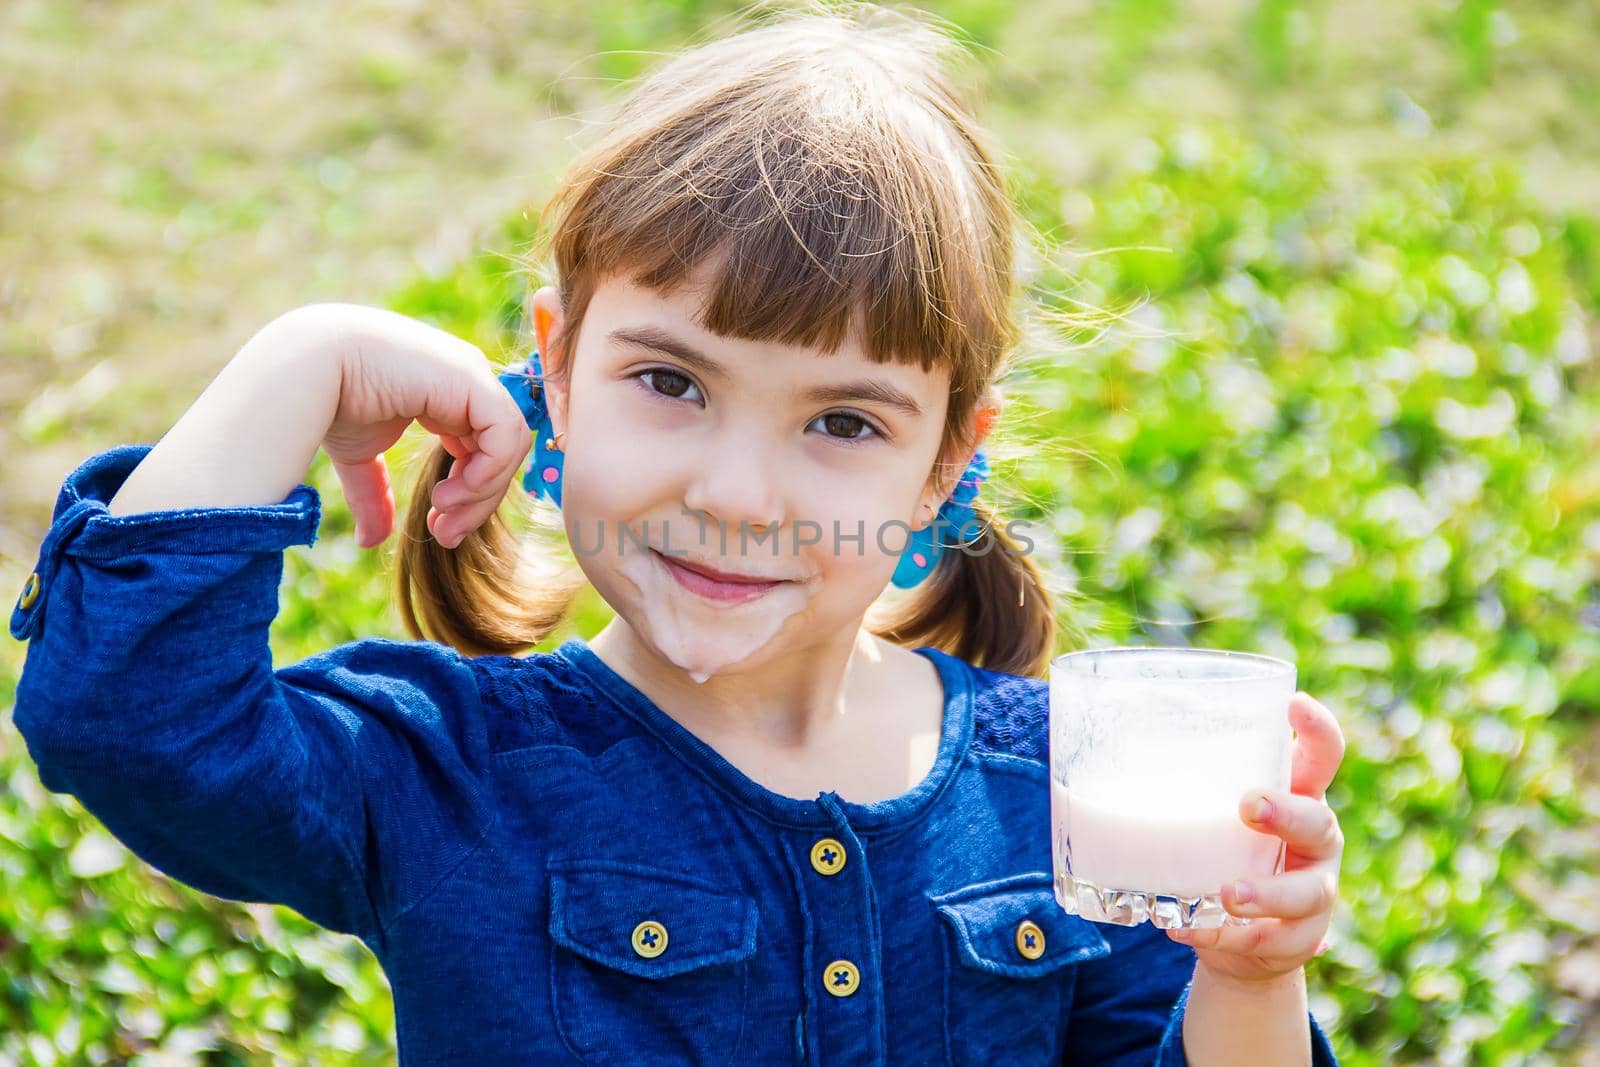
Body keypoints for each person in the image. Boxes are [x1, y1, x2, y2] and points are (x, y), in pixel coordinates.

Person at [9, 3, 1346, 1063]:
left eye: (842, 422)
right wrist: (301, 361)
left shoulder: (1061, 795)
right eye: (670, 383)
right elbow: (124, 721)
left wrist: (1249, 977)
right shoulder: (450, 773)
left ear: (950, 458)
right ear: (561, 371)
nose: (738, 492)